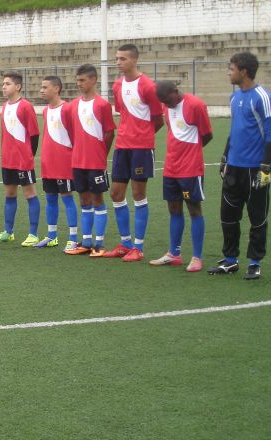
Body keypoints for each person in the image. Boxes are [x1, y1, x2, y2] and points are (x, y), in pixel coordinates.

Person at [208, 52, 271, 280]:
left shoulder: (262, 97)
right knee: (228, 216)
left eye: (232, 68)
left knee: (257, 218)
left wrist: (265, 166)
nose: (229, 72)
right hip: (234, 168)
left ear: (243, 71)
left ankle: (255, 262)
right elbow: (235, 130)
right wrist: (225, 156)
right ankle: (230, 260)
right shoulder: (234, 97)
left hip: (254, 169)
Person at [105, 44, 164, 261]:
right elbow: (122, 112)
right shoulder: (117, 85)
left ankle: (138, 248)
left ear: (134, 60)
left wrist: (144, 136)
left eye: (122, 59)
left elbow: (159, 119)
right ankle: (125, 243)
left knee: (139, 193)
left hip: (141, 148)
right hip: (122, 146)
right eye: (117, 58)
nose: (118, 62)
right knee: (116, 193)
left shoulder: (148, 86)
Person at [149, 81, 212, 273]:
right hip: (171, 168)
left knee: (194, 210)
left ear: (175, 92)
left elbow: (207, 135)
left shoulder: (195, 105)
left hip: (190, 169)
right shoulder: (167, 107)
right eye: (162, 102)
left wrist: (191, 153)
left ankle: (197, 257)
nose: (166, 105)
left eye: (167, 100)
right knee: (174, 209)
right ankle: (174, 253)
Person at [64, 64, 116, 256]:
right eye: (78, 80)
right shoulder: (73, 106)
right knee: (83, 199)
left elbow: (109, 132)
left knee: (97, 199)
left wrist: (102, 153)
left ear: (93, 80)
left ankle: (99, 244)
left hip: (96, 162)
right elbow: (71, 131)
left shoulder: (102, 105)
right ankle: (86, 241)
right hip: (78, 161)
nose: (79, 84)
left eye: (83, 80)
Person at [0, 72, 40, 245]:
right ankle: (8, 232)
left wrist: (27, 155)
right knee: (9, 194)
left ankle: (33, 234)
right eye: (3, 83)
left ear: (17, 87)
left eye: (7, 83)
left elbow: (34, 135)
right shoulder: (4, 107)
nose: (3, 86)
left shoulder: (25, 106)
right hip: (8, 160)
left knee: (30, 194)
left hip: (23, 160)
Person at [36, 76, 79, 250]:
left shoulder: (67, 109)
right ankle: (52, 235)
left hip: (64, 163)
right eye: (41, 87)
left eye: (45, 87)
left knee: (67, 198)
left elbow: (74, 136)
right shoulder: (46, 110)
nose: (41, 90)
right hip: (48, 163)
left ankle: (73, 237)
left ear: (57, 88)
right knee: (50, 198)